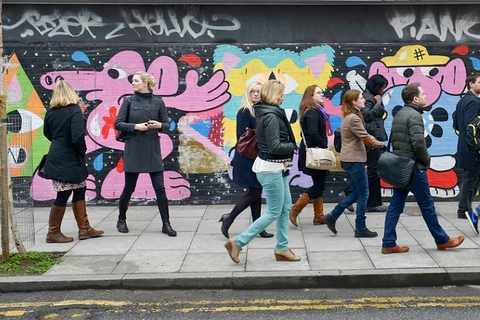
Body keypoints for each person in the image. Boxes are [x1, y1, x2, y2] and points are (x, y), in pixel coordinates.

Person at [381, 83, 465, 254]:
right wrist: (426, 161)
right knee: (427, 205)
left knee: (396, 205)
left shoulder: (400, 114)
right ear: (415, 98)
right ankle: (442, 240)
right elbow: (419, 143)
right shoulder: (415, 116)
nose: (426, 96)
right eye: (423, 94)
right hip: (414, 168)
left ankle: (388, 242)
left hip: (401, 168)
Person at [225, 79, 299, 263]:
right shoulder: (271, 116)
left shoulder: (268, 112)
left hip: (276, 166)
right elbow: (274, 146)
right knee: (274, 211)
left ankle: (282, 248)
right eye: (281, 94)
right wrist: (293, 145)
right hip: (270, 168)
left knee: (285, 208)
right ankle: (238, 242)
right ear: (275, 96)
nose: (283, 98)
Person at [114, 71, 176, 236]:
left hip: (152, 150)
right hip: (133, 148)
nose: (133, 83)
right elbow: (118, 124)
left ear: (145, 83)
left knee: (160, 188)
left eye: (136, 81)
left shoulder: (158, 102)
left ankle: (166, 223)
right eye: (133, 81)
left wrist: (158, 125)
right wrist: (136, 127)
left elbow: (167, 125)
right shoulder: (128, 101)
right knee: (129, 188)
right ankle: (121, 219)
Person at [43, 80, 104, 243]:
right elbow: (77, 137)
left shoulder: (51, 112)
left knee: (79, 189)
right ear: (71, 93)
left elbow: (47, 133)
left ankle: (85, 229)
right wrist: (81, 150)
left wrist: (59, 143)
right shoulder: (74, 111)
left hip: (56, 154)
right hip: (70, 156)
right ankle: (53, 233)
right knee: (63, 194)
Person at [324, 90, 385, 238]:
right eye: (361, 98)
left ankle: (333, 216)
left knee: (358, 191)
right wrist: (381, 145)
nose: (364, 100)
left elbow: (364, 135)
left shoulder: (354, 116)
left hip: (351, 159)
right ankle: (360, 227)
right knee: (364, 192)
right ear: (353, 102)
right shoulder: (354, 118)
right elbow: (365, 137)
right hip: (354, 159)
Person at [219, 82, 274, 239]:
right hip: (247, 156)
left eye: (258, 91)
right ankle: (229, 217)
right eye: (253, 91)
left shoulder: (261, 110)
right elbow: (242, 137)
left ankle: (257, 227)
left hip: (256, 156)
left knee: (255, 191)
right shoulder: (245, 111)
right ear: (248, 94)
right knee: (255, 191)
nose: (256, 94)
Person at [290, 85, 329, 227]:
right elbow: (313, 133)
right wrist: (325, 147)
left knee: (319, 183)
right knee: (320, 185)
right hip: (315, 153)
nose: (321, 94)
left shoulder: (315, 111)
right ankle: (295, 209)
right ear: (310, 96)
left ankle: (319, 216)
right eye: (318, 93)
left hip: (314, 152)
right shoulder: (312, 112)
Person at [453, 72, 480, 234]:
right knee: (470, 179)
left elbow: (456, 122)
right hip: (473, 148)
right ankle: (464, 209)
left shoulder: (463, 101)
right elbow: (472, 126)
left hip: (466, 146)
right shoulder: (472, 101)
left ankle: (467, 208)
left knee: (473, 178)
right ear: (471, 84)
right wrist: (475, 145)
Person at [361, 74, 389, 212]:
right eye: (382, 87)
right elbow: (366, 115)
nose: (383, 90)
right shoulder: (368, 98)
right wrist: (378, 104)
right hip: (370, 139)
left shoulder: (371, 97)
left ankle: (374, 202)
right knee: (373, 171)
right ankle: (370, 203)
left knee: (374, 170)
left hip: (374, 138)